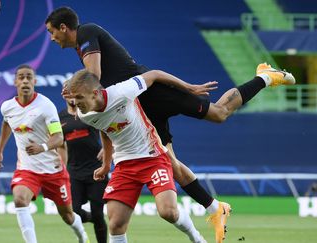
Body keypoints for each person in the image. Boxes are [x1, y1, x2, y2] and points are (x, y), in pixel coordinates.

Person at [45, 6, 296, 242]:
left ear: (64, 27)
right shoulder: (83, 60)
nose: (52, 37)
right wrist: (107, 156)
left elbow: (96, 79)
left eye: (51, 31)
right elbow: (100, 108)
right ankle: (215, 208)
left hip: (152, 94)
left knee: (219, 113)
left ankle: (265, 75)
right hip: (140, 108)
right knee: (170, 163)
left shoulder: (87, 32)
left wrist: (186, 86)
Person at [68, 69, 212, 243]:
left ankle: (196, 238)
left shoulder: (122, 91)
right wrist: (107, 164)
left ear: (96, 93)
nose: (75, 103)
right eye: (73, 98)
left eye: (79, 97)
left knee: (168, 212)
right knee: (115, 224)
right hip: (124, 165)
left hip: (153, 156)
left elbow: (155, 74)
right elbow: (105, 130)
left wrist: (188, 87)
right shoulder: (84, 114)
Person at [0, 64, 89, 243]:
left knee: (67, 215)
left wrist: (42, 147)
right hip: (27, 170)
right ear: (15, 82)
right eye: (21, 77)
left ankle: (82, 234)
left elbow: (59, 138)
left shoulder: (46, 106)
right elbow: (6, 123)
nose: (25, 80)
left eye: (29, 77)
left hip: (53, 171)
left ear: (35, 81)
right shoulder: (7, 107)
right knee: (20, 200)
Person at [57, 97, 108, 243]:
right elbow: (60, 144)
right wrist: (62, 165)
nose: (72, 97)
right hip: (74, 172)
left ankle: (96, 220)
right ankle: (92, 218)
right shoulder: (59, 117)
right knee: (73, 211)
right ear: (64, 95)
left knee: (99, 214)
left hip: (96, 170)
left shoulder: (90, 111)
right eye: (68, 93)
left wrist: (107, 148)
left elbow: (110, 127)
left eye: (75, 92)